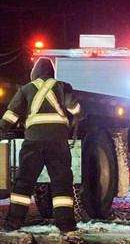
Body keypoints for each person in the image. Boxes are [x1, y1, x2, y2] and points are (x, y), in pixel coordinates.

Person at [1, 58, 82, 232]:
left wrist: (2, 128)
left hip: (33, 141)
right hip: (58, 142)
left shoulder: (26, 89)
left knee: (24, 182)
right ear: (52, 72)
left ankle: (13, 223)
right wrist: (77, 115)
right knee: (61, 182)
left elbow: (12, 114)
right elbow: (74, 108)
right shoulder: (63, 86)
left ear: (35, 72)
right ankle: (66, 224)